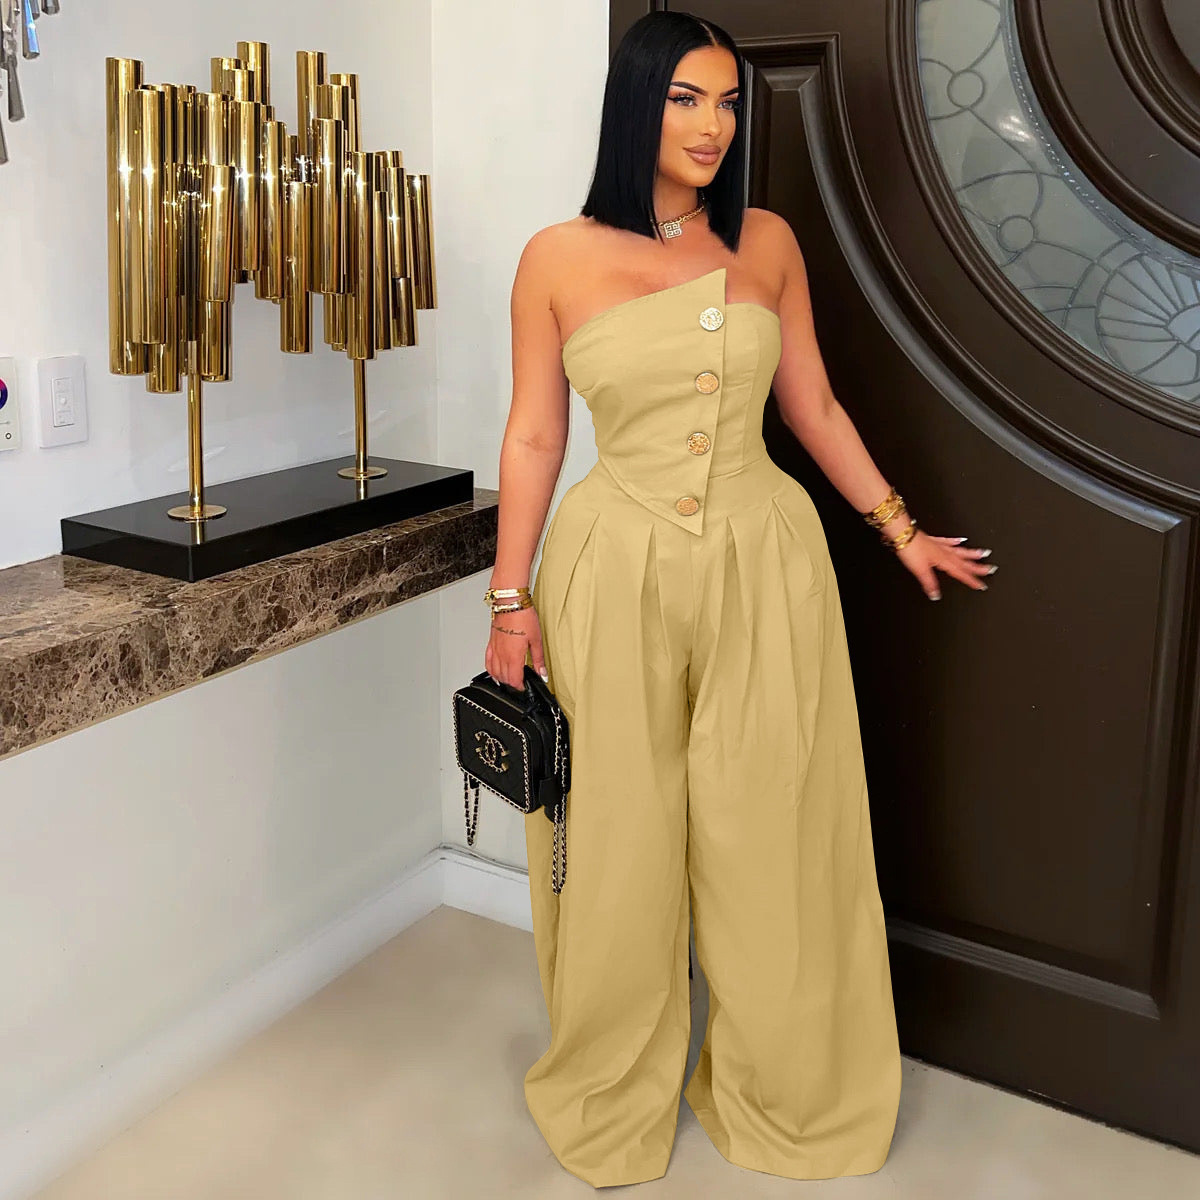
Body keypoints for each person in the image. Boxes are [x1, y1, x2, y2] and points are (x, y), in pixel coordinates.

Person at [482, 9, 996, 1189]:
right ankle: (610, 1093)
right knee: (614, 844)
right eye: (685, 99)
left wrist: (900, 529)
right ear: (636, 105)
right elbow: (535, 433)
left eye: (727, 102)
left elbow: (812, 405)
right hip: (608, 569)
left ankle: (790, 1095)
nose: (713, 126)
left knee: (778, 833)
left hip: (766, 566)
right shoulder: (555, 257)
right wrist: (512, 599)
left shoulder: (766, 242)